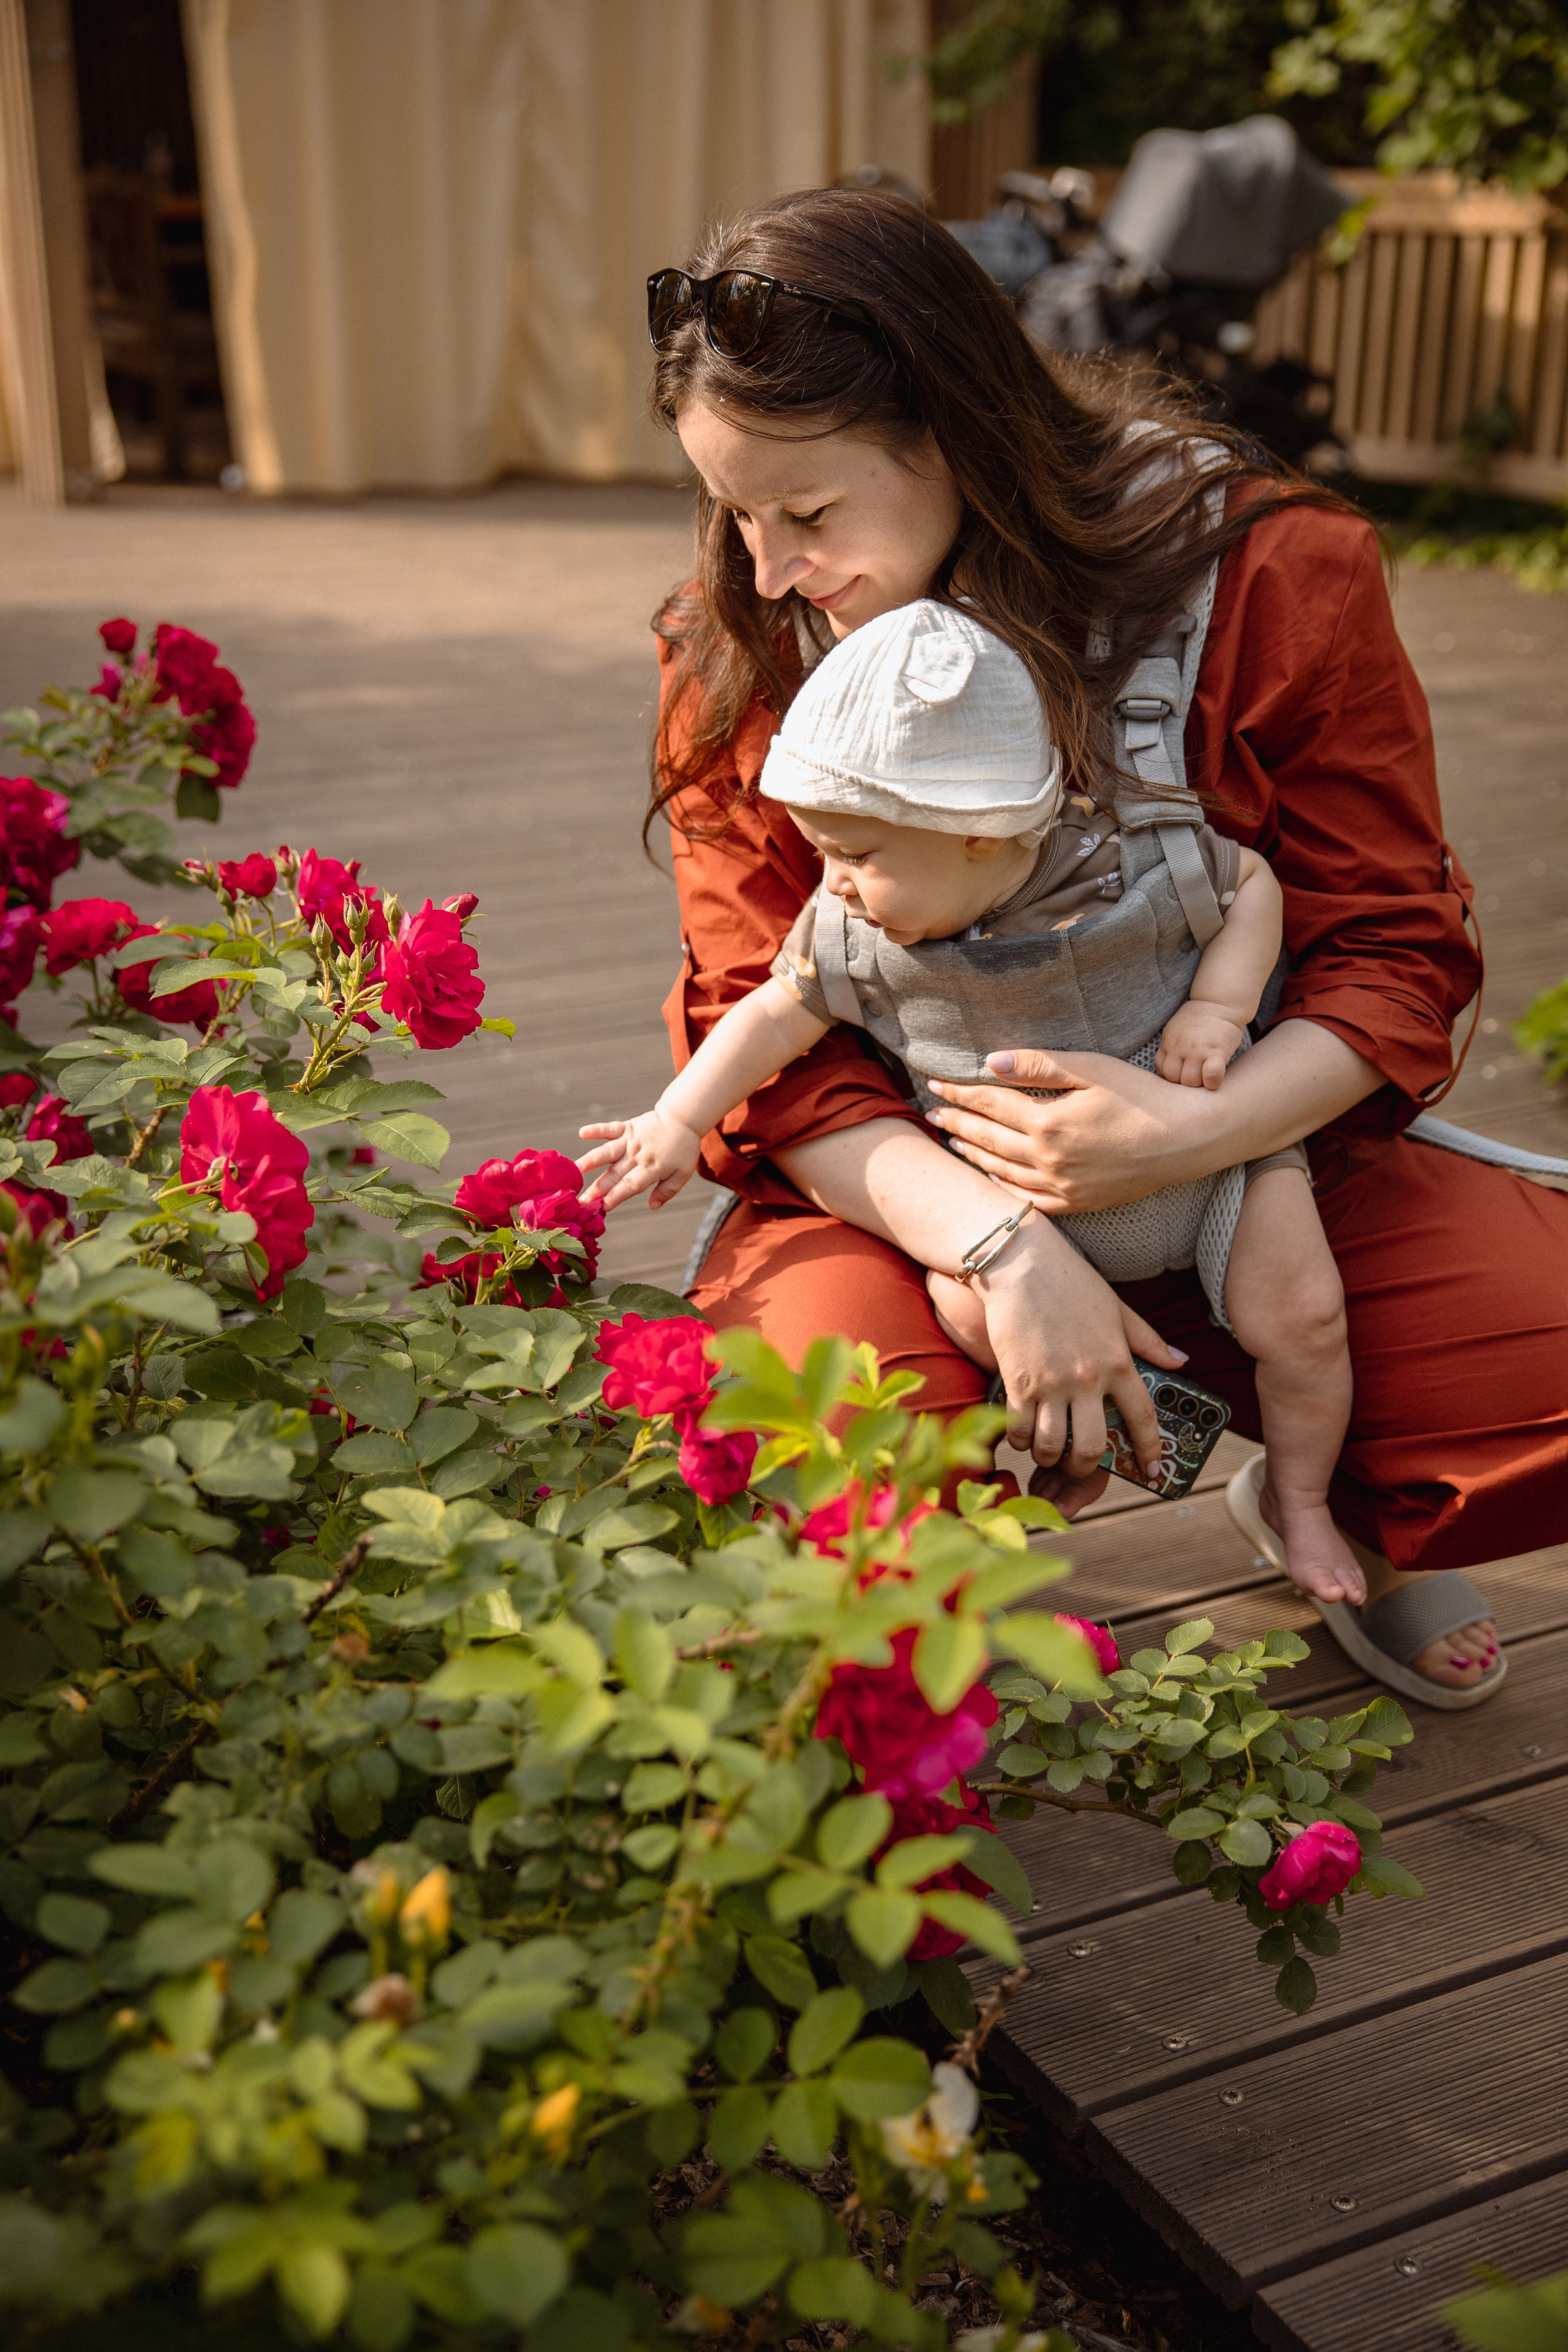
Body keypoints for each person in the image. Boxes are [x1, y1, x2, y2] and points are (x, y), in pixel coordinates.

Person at [635, 185, 1568, 1707]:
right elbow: (767, 1029)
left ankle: (1343, 1501)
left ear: (961, 434)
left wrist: (1194, 1129)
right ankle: (1011, 1450)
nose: (765, 571)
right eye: (730, 512)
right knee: (804, 1461)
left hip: (1261, 1159)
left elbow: (1387, 950)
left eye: (807, 513)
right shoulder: (738, 646)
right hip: (911, 1191)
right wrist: (1007, 1251)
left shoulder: (1263, 573)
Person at [583, 597, 1363, 1605]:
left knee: (1304, 1312)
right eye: (823, 852)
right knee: (971, 1309)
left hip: (1210, 1162)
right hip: (1012, 1201)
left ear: (983, 837)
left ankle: (1302, 1502)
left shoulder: (1132, 861)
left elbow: (1250, 884)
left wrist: (1217, 1008)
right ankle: (1061, 1449)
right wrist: (679, 1120)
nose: (834, 887)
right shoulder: (851, 929)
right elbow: (773, 1012)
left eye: (857, 858)